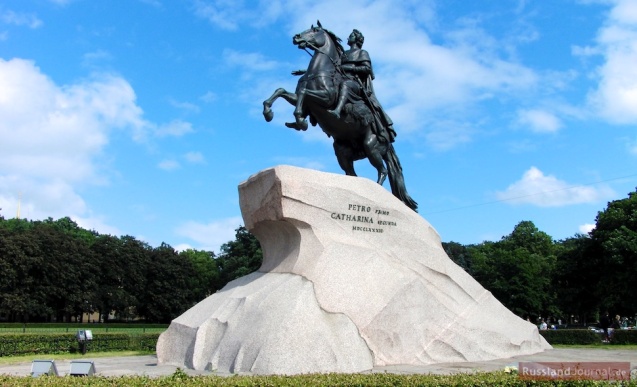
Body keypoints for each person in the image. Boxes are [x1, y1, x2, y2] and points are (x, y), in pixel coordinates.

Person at [327, 29, 396, 144]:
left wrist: (349, 68)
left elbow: (367, 69)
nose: (348, 37)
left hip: (354, 83)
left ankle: (337, 110)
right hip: (339, 80)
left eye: (351, 36)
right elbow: (334, 69)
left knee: (346, 85)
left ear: (357, 39)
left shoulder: (362, 53)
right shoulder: (343, 54)